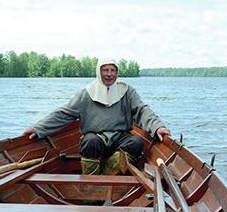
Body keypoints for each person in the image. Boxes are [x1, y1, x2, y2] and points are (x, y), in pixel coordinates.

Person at [23, 58, 170, 174]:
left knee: (137, 142)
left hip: (119, 138)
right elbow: (64, 113)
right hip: (96, 138)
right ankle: (91, 182)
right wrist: (38, 129)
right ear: (99, 72)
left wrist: (158, 127)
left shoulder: (127, 91)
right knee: (90, 141)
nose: (109, 74)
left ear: (117, 72)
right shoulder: (87, 93)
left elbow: (142, 110)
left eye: (113, 70)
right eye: (105, 70)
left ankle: (107, 177)